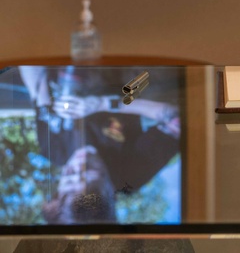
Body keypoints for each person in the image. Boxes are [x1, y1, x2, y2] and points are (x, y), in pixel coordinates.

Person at [17, 65, 182, 222]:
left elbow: (37, 90)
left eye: (69, 174)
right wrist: (104, 103)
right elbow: (177, 119)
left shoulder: (52, 150)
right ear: (110, 192)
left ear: (58, 191)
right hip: (129, 82)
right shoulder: (131, 177)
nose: (80, 163)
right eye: (90, 176)